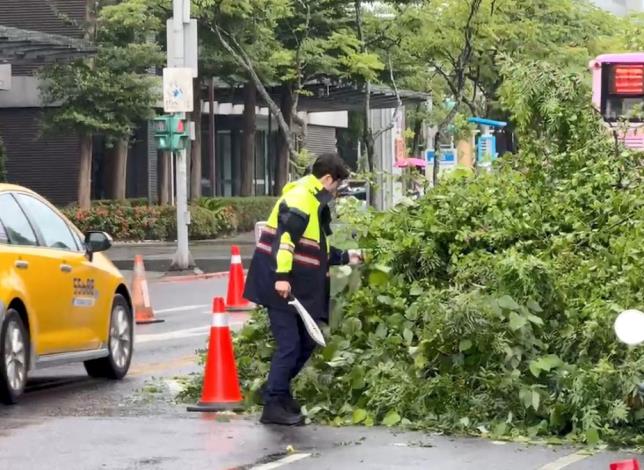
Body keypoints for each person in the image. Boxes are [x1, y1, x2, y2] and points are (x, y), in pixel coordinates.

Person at [244, 153, 362, 426]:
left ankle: (279, 391)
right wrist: (282, 276)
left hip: (296, 287)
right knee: (290, 345)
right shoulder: (301, 199)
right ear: (328, 179)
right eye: (337, 186)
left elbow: (316, 249)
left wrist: (348, 257)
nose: (336, 193)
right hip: (281, 284)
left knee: (307, 341)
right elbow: (285, 242)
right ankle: (273, 403)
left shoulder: (312, 200)